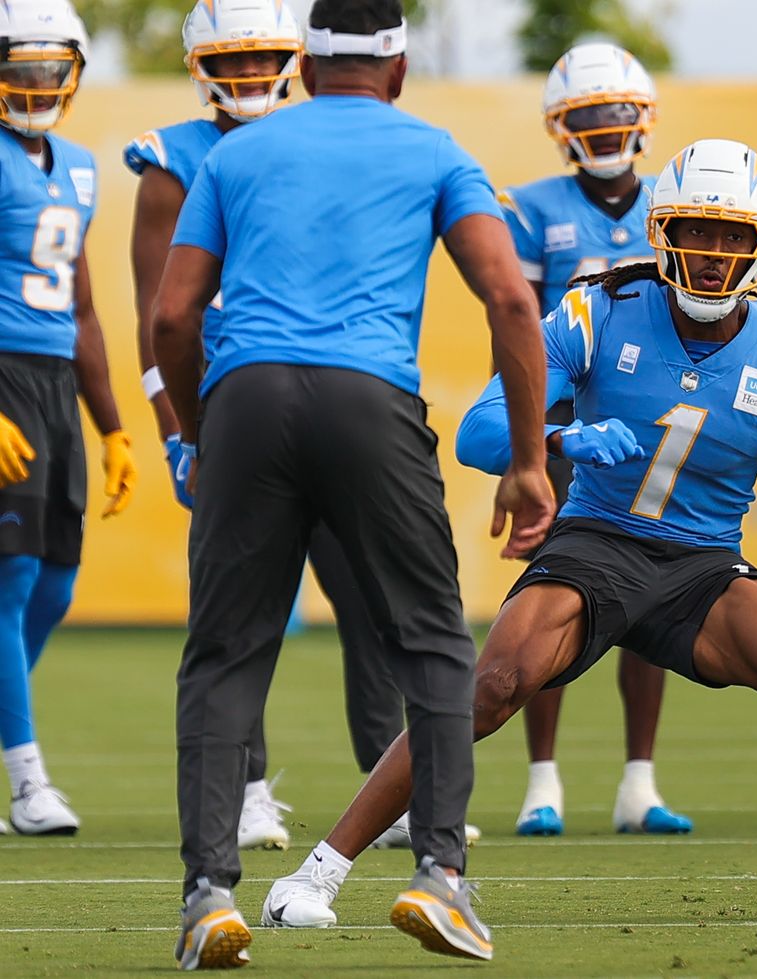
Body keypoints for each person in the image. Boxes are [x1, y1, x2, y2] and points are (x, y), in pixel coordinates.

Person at [262, 139, 757, 954]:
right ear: (661, 230)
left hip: (703, 565)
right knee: (493, 681)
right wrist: (565, 438)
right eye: (696, 229)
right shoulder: (596, 309)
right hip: (596, 542)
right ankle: (318, 870)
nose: (713, 254)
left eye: (733, 236)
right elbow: (477, 432)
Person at [151, 0, 555, 968]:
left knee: (223, 654)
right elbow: (508, 296)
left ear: (306, 65)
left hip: (243, 396)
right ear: (399, 67)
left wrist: (203, 440)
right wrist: (532, 460)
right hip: (368, 400)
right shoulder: (434, 150)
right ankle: (440, 878)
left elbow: (172, 317)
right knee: (431, 643)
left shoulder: (233, 156)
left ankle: (209, 895)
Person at [124, 0, 456, 855]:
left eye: (261, 59)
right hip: (243, 402)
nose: (245, 80)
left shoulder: (313, 136)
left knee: (365, 604)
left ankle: (385, 781)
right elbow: (160, 315)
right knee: (243, 622)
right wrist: (177, 428)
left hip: (255, 407)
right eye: (228, 63)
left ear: (300, 61)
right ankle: (247, 792)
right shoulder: (183, 157)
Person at [497, 41, 689, 837]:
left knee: (653, 588)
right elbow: (515, 325)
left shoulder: (673, 205)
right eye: (590, 114)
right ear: (560, 124)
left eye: (618, 112)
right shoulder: (534, 209)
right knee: (553, 593)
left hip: (659, 426)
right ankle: (543, 781)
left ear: (642, 118)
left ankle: (637, 782)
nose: (608, 127)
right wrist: (535, 440)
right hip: (567, 427)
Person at [0, 0, 137, 838]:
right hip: (3, 375)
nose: (35, 83)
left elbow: (84, 309)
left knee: (54, 584)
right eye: (20, 66)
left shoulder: (81, 167)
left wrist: (113, 425)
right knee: (9, 581)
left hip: (56, 386)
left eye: (50, 67)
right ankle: (26, 780)